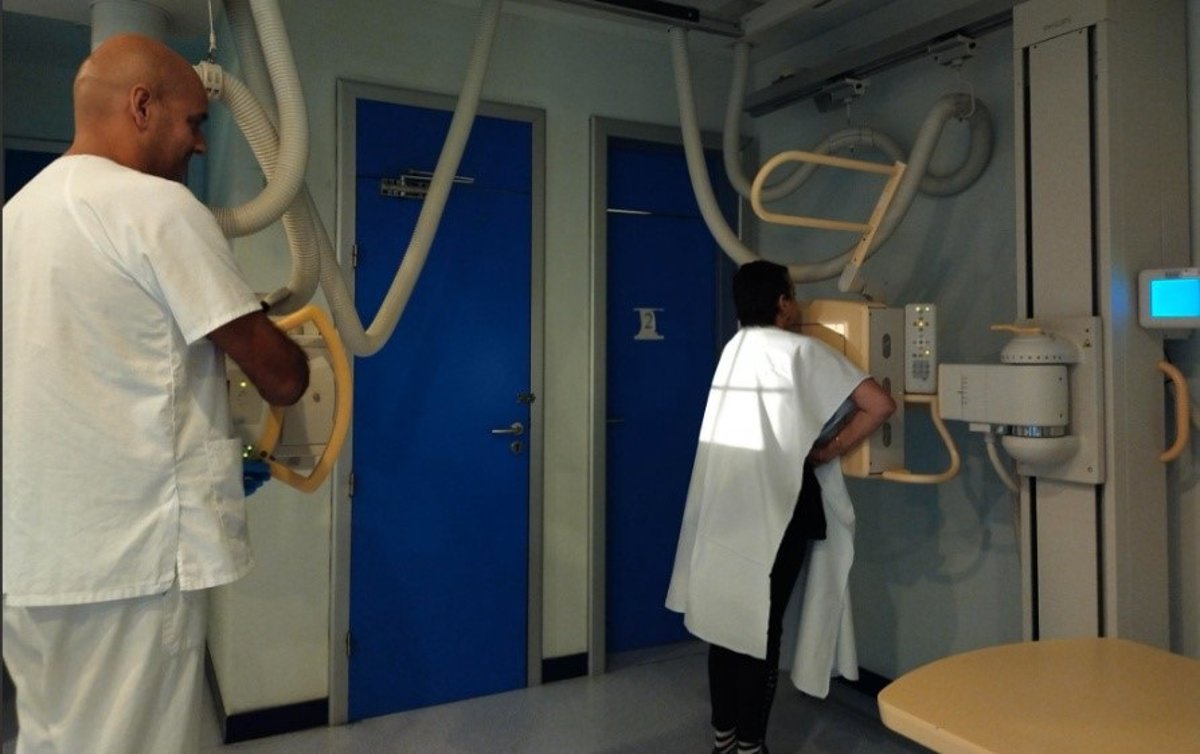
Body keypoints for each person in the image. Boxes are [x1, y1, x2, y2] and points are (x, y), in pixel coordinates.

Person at [2, 33, 310, 754]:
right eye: (194, 121)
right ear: (142, 106)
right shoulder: (157, 208)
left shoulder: (14, 218)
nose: (199, 143)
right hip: (133, 562)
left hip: (33, 560)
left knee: (53, 740)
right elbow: (282, 376)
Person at [665, 260, 896, 754]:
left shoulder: (734, 351)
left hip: (726, 509)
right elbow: (880, 404)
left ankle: (725, 740)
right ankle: (751, 745)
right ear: (783, 303)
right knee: (759, 631)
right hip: (781, 511)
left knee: (724, 625)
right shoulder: (804, 351)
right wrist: (828, 450)